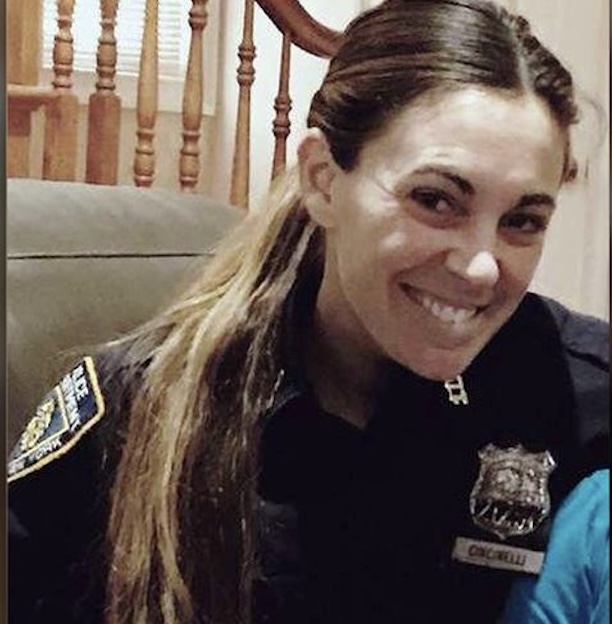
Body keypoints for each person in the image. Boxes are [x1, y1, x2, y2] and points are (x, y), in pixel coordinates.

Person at [8, 0, 609, 623]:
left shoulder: (576, 391)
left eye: (522, 221)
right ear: (323, 180)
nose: (481, 267)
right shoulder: (139, 409)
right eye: (435, 201)